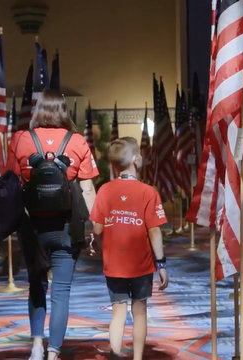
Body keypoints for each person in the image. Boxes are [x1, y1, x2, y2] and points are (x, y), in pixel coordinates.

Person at [7, 89, 98, 360]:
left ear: (37, 110)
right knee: (61, 290)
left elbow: (11, 185)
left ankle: (36, 345)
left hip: (32, 228)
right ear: (64, 111)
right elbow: (88, 189)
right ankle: (54, 351)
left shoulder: (21, 139)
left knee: (36, 285)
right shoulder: (78, 141)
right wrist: (93, 228)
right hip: (67, 228)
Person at [90, 137, 169, 360]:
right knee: (140, 310)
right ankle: (137, 357)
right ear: (135, 160)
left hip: (114, 264)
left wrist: (97, 243)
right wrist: (161, 264)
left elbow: (97, 228)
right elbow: (154, 231)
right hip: (141, 264)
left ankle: (114, 354)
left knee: (117, 311)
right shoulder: (148, 192)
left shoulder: (104, 190)